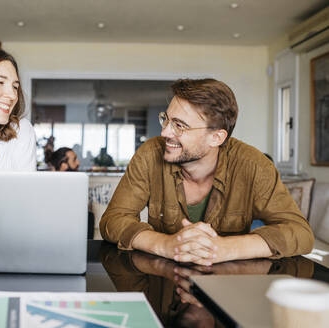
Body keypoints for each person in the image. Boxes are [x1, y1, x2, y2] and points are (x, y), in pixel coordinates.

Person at [100, 78, 314, 266]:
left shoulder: (253, 165)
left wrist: (223, 248)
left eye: (179, 125)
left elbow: (300, 233)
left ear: (216, 138)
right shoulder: (150, 154)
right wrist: (165, 245)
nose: (165, 132)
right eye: (166, 119)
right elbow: (113, 220)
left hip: (229, 289)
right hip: (163, 283)